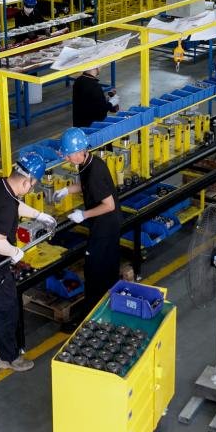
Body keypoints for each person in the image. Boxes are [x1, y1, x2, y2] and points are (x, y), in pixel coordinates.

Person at [0, 152, 57, 372]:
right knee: (5, 311)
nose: (31, 190)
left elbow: (13, 203)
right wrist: (14, 251)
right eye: (32, 185)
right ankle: (8, 358)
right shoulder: (7, 206)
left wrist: (38, 215)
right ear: (26, 181)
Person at [53, 128, 122, 319]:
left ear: (79, 151)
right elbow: (85, 186)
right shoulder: (88, 163)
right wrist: (67, 190)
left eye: (68, 155)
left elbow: (109, 205)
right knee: (107, 268)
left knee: (94, 272)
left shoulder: (94, 172)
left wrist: (84, 215)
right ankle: (109, 306)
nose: (66, 159)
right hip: (107, 225)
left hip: (104, 227)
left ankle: (91, 316)